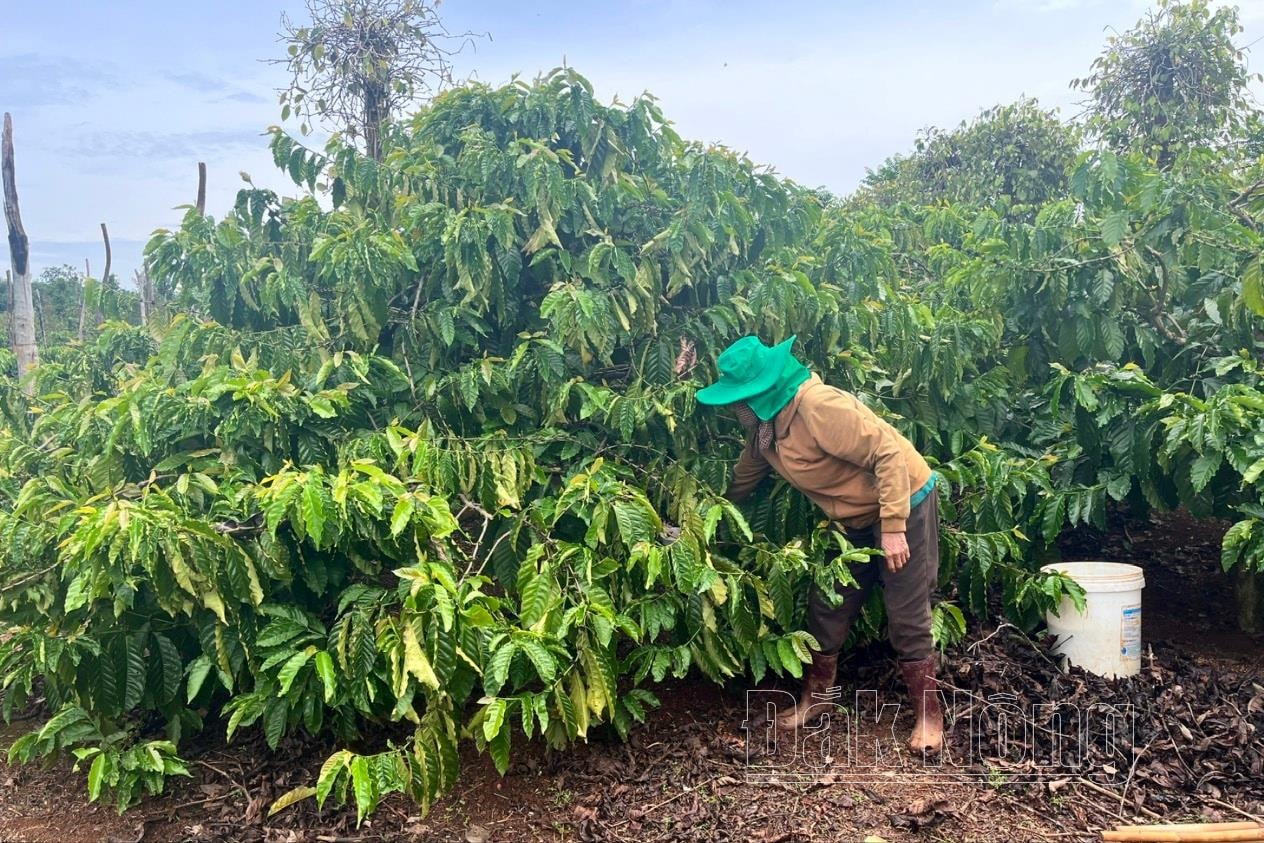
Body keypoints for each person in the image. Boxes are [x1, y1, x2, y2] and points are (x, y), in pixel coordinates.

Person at [694, 334, 944, 753]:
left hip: (903, 504)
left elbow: (887, 453)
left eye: (740, 400)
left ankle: (929, 715)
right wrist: (702, 523)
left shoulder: (818, 406)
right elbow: (745, 476)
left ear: (762, 392)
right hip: (850, 519)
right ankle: (818, 699)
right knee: (828, 604)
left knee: (906, 611)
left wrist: (894, 525)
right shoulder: (765, 431)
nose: (736, 411)